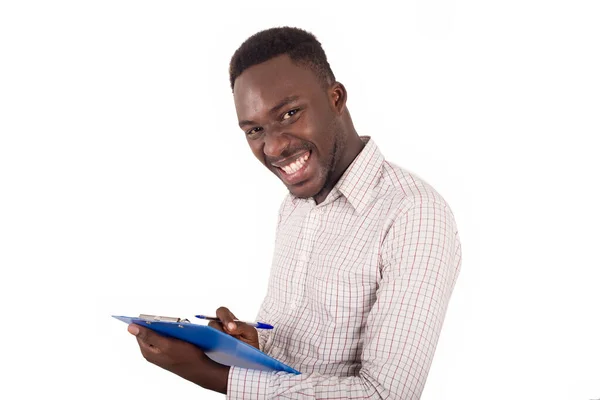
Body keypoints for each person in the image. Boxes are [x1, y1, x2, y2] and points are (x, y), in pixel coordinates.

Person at [127, 27, 462, 399]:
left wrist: (211, 375)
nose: (272, 147)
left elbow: (387, 394)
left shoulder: (415, 215)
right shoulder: (294, 206)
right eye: (254, 129)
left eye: (289, 113)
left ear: (335, 98)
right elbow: (307, 352)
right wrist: (250, 343)